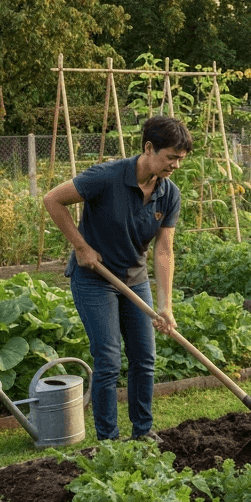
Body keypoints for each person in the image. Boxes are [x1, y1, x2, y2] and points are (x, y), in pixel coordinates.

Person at [44, 116, 192, 442]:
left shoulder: (168, 194)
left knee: (144, 358)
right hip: (94, 278)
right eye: (171, 157)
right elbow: (52, 199)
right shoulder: (107, 177)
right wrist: (81, 247)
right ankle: (108, 442)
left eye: (181, 158)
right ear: (149, 148)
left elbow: (164, 252)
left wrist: (166, 306)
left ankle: (142, 432)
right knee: (109, 360)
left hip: (135, 279)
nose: (176, 165)